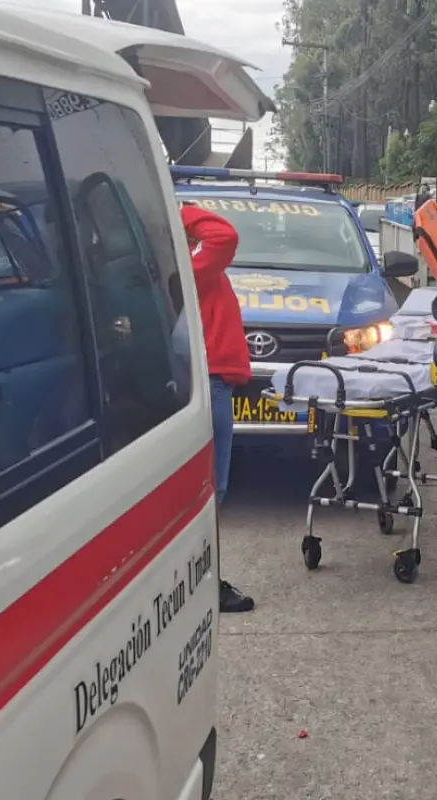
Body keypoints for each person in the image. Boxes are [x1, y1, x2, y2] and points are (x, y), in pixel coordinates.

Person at [180, 201, 256, 613]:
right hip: (208, 383)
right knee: (211, 490)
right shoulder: (188, 271)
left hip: (209, 380)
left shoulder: (185, 269)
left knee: (204, 490)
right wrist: (175, 209)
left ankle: (197, 581)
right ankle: (205, 584)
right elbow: (223, 235)